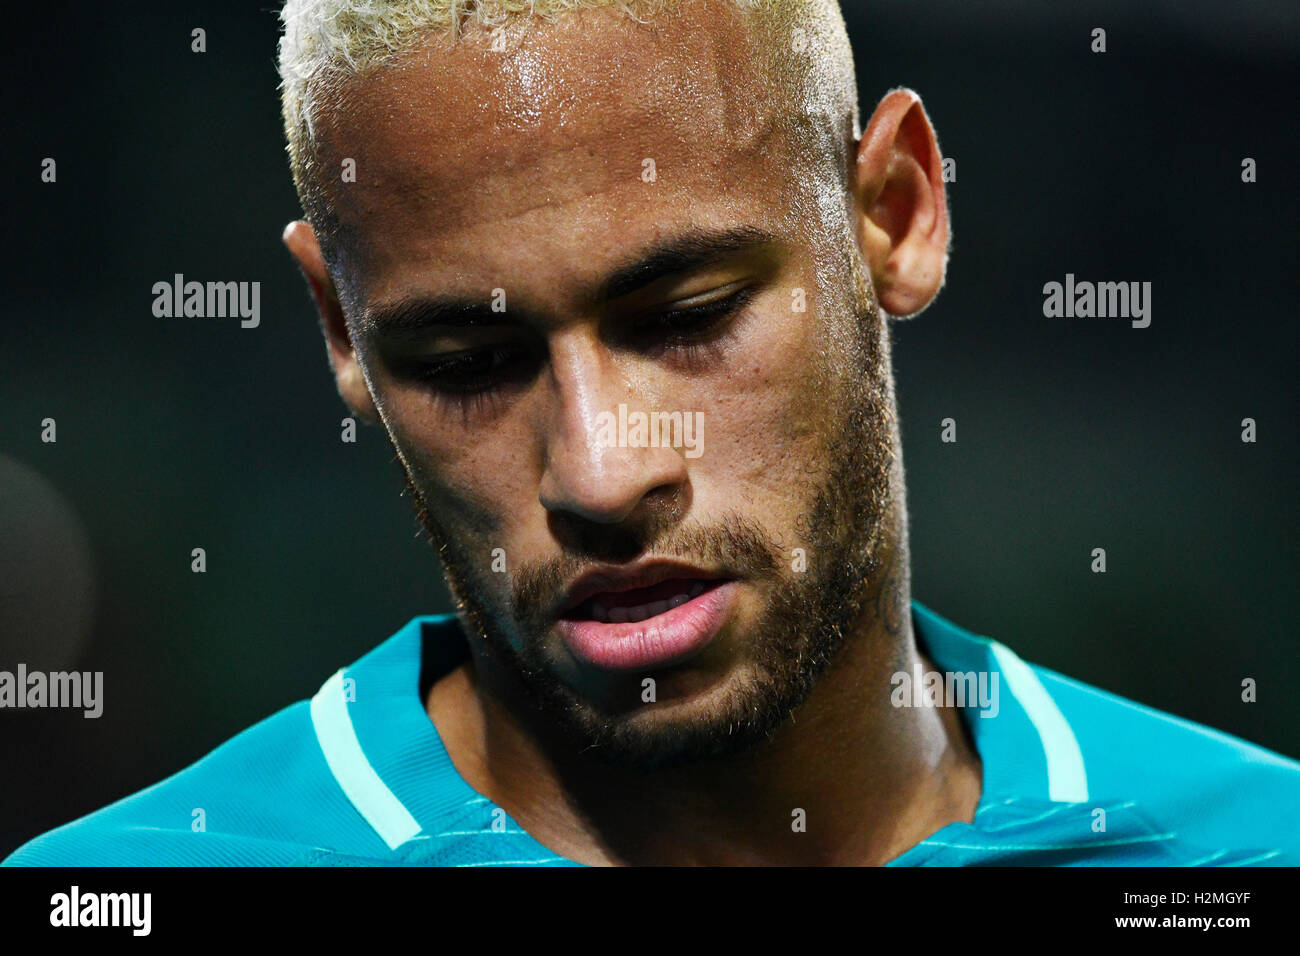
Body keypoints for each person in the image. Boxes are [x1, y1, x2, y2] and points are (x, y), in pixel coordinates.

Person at [7, 0, 1297, 867]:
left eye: (688, 313)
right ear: (341, 333)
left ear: (895, 213)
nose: (603, 469)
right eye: (470, 360)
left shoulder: (1245, 850)